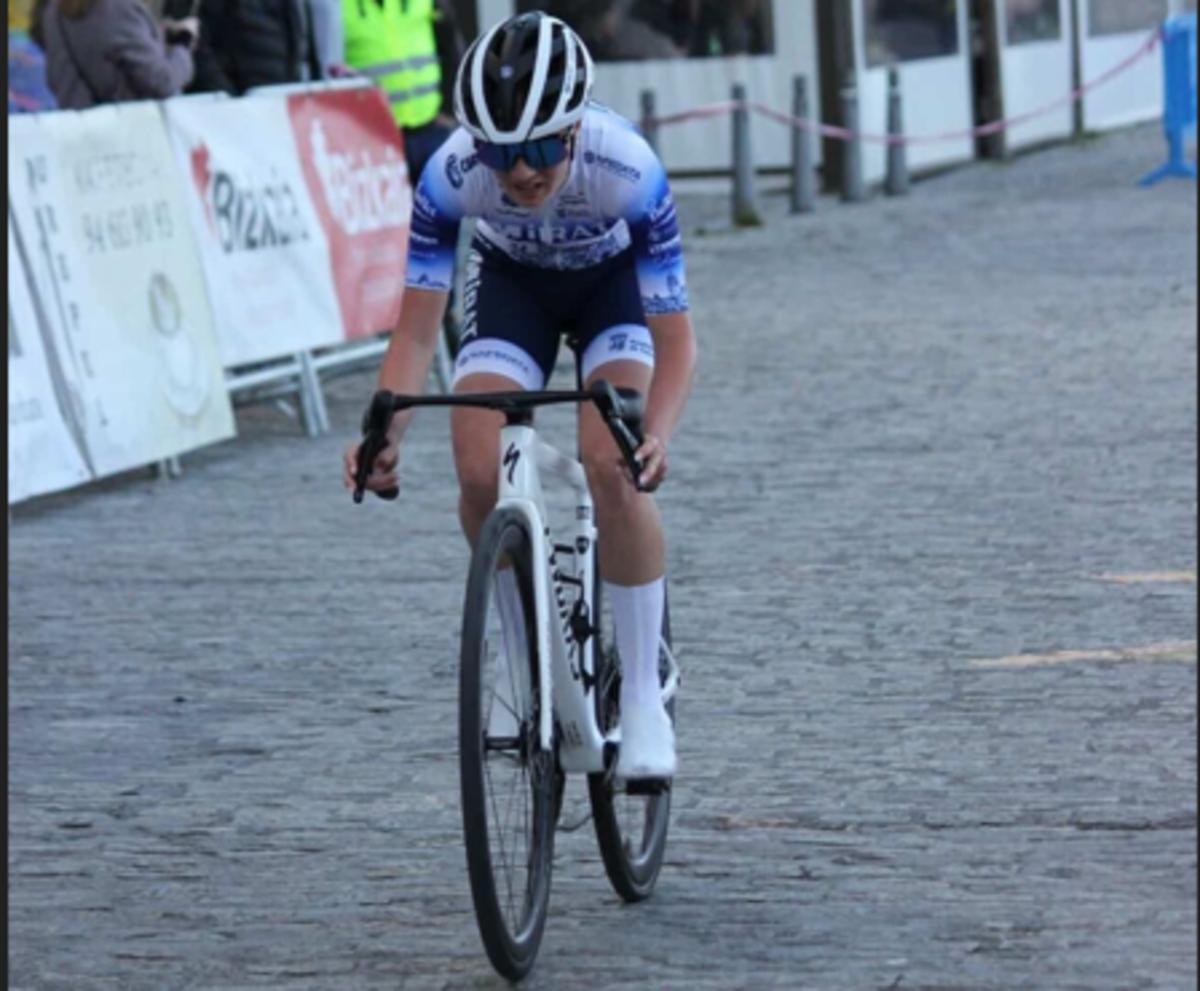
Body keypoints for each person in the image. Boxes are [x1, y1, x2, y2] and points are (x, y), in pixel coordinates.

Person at [343, 11, 697, 780]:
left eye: (539, 149)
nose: (520, 172)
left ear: (573, 131)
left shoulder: (630, 170)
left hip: (612, 292)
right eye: (501, 153)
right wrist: (386, 432)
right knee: (475, 469)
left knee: (612, 463)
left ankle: (641, 692)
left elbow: (677, 343)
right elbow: (412, 334)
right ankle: (524, 654)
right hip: (514, 290)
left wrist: (656, 434)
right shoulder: (449, 175)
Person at [341, 0, 463, 189]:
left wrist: (449, 107)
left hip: (431, 128)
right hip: (374, 139)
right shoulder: (338, 6)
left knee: (442, 211)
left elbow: (450, 45)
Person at [37, 0, 196, 109]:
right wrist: (183, 44)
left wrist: (155, 36)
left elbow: (55, 76)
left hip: (76, 131)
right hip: (126, 138)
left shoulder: (54, 11)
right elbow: (163, 82)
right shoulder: (118, 8)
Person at [165, 0, 320, 95]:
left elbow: (304, 44)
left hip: (284, 106)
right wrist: (232, 100)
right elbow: (194, 43)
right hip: (236, 113)